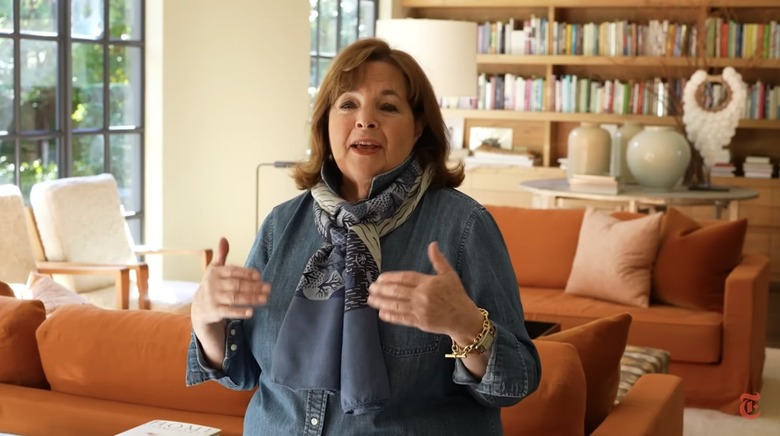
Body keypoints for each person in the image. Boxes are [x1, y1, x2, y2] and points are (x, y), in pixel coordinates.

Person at [186, 37, 541, 435]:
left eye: (387, 107)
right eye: (348, 104)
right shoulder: (281, 224)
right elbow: (242, 373)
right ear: (326, 122)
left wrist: (467, 326)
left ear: (419, 126)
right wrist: (205, 320)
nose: (365, 120)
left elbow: (516, 382)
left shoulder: (464, 226)